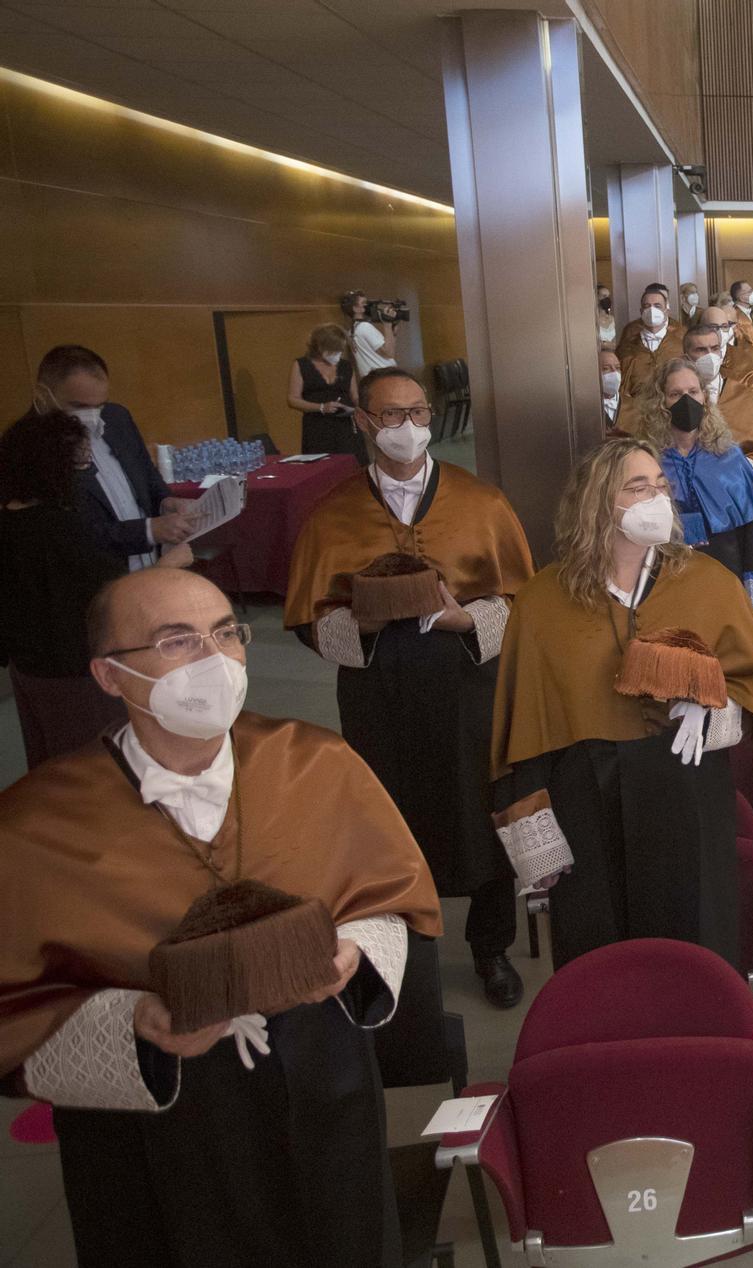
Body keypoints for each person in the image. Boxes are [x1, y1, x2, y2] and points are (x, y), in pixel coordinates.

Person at [0, 566, 440, 1268]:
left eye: (226, 633)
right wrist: (134, 1025)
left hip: (318, 1073)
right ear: (110, 676)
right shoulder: (35, 822)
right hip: (159, 1119)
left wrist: (353, 951)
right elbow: (18, 1008)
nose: (215, 659)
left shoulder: (314, 761)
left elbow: (389, 899)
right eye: (176, 641)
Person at [284, 368, 533, 1006]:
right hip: (379, 688)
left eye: (418, 413)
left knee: (480, 806)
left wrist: (463, 619)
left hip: (464, 680)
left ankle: (490, 948)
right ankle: (401, 951)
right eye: (391, 416)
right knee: (385, 813)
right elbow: (310, 617)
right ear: (363, 423)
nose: (408, 428)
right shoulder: (332, 514)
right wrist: (360, 623)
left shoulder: (481, 502)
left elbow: (518, 599)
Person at [488, 439, 753, 967]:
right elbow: (521, 728)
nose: (656, 498)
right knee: (600, 950)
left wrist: (712, 705)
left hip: (685, 788)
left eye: (661, 487)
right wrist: (537, 838)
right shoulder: (542, 600)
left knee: (693, 944)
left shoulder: (709, 582)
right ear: (599, 503)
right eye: (637, 487)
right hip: (584, 795)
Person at [0, 410, 186, 766]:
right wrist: (170, 565)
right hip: (74, 673)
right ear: (52, 467)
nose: (86, 473)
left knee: (48, 760)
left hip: (28, 668)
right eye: (80, 463)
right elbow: (110, 596)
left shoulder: (9, 517)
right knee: (93, 764)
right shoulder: (60, 527)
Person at [632, 358, 753, 619]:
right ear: (660, 401)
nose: (687, 401)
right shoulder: (645, 462)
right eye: (676, 394)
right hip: (665, 587)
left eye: (693, 392)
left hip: (726, 579)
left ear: (705, 398)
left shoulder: (730, 459)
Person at [36, 346, 193, 571]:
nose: (92, 416)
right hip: (97, 581)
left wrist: (165, 501)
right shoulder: (29, 449)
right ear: (44, 396)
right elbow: (66, 536)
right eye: (79, 406)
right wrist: (148, 530)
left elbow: (147, 474)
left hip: (151, 565)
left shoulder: (116, 417)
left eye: (99, 405)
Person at [688, 311, 753, 477]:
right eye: (701, 350)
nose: (709, 356)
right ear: (687, 356)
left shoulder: (743, 395)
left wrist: (735, 473)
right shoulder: (676, 398)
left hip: (736, 480)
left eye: (714, 349)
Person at [288, 323, 359, 458]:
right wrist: (321, 407)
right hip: (316, 427)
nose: (337, 354)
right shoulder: (301, 365)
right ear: (320, 347)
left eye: (340, 350)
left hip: (345, 426)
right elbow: (292, 399)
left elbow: (355, 396)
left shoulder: (346, 366)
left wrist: (356, 409)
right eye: (333, 350)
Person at [615, 282, 680, 400]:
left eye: (657, 306)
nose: (651, 310)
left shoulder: (679, 345)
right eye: (647, 306)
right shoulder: (627, 347)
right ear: (641, 311)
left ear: (667, 310)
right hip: (637, 409)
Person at [720, 282, 753, 403]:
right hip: (746, 363)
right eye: (749, 291)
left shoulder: (751, 313)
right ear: (741, 296)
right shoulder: (735, 315)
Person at [342, 290, 398, 375]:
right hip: (384, 377)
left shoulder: (353, 330)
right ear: (355, 309)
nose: (367, 305)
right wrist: (387, 324)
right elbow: (388, 353)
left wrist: (392, 331)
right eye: (364, 303)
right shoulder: (365, 327)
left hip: (373, 378)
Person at [597, 347, 625, 435]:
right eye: (606, 368)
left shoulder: (635, 407)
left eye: (617, 368)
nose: (614, 372)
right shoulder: (586, 409)